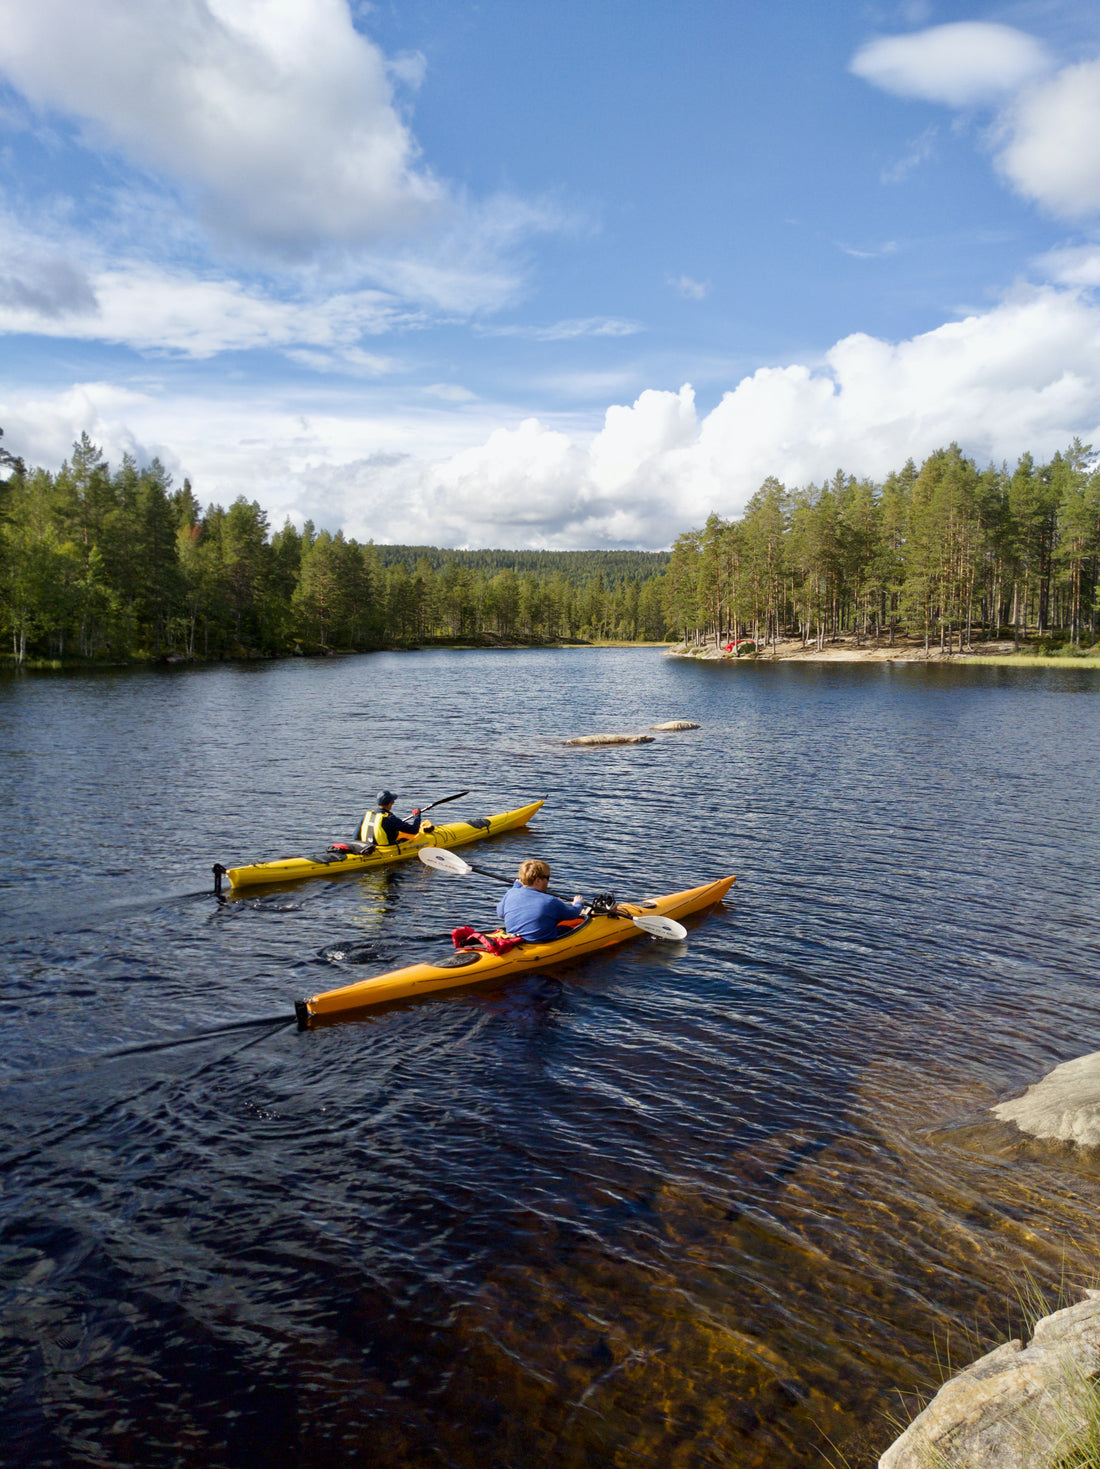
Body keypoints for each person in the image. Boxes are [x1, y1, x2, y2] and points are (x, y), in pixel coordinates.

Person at [495, 859, 586, 943]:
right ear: (537, 880)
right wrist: (578, 903)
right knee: (567, 928)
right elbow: (572, 914)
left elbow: (500, 913)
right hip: (540, 942)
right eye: (547, 878)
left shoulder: (511, 893)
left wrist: (516, 887)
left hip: (513, 937)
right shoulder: (550, 901)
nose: (548, 881)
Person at [358, 791, 430, 849]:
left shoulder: (366, 815)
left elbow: (355, 836)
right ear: (389, 804)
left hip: (367, 847)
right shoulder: (390, 818)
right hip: (385, 849)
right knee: (405, 840)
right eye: (392, 802)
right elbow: (414, 830)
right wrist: (417, 816)